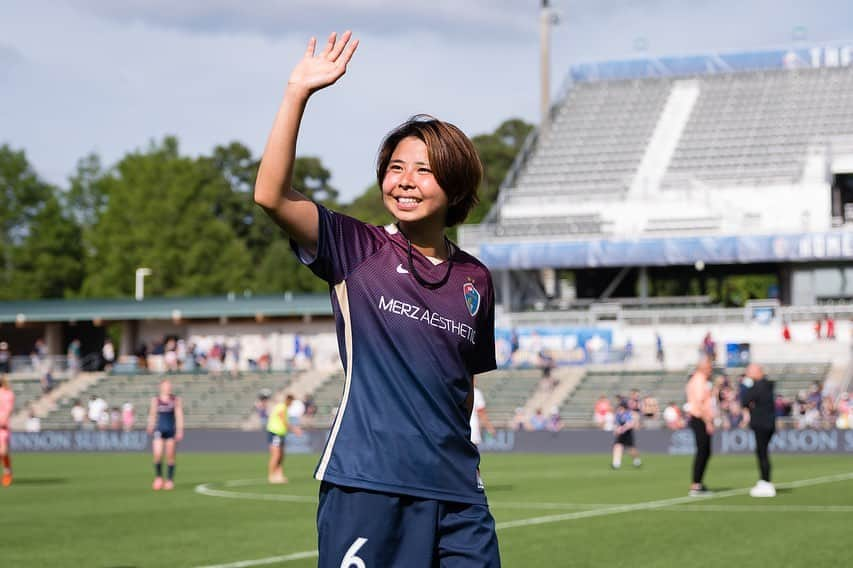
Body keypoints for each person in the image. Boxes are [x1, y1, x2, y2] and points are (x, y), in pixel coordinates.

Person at [254, 31, 500, 567]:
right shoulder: (356, 248)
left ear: (455, 188)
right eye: (395, 167)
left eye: (424, 169)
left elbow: (463, 390)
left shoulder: (476, 279)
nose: (405, 181)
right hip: (368, 485)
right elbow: (271, 195)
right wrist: (297, 92)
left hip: (459, 496)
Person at [741, 364, 776, 497]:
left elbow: (744, 400)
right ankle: (764, 480)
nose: (748, 374)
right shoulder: (767, 385)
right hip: (767, 424)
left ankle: (766, 482)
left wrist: (746, 385)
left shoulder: (758, 386)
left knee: (762, 452)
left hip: (761, 424)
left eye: (749, 371)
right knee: (762, 452)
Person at [146, 379, 184, 491]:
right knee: (157, 455)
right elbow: (152, 414)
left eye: (169, 386)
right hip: (159, 430)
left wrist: (180, 430)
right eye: (166, 386)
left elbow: (179, 415)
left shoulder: (175, 400)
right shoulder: (156, 400)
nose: (168, 388)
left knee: (170, 456)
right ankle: (158, 478)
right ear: (161, 387)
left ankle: (169, 480)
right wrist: (150, 425)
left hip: (170, 430)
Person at [686, 355, 715, 496]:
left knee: (705, 451)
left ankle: (698, 483)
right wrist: (708, 421)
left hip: (701, 418)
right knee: (702, 451)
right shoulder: (699, 380)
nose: (711, 369)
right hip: (699, 418)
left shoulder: (701, 380)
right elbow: (699, 402)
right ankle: (696, 484)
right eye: (709, 366)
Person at [267, 394, 303, 484]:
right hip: (275, 433)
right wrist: (295, 430)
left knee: (281, 455)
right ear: (289, 400)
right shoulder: (282, 407)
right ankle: (271, 476)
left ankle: (279, 475)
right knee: (276, 455)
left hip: (280, 434)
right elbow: (283, 420)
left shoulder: (284, 408)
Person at [611, 401, 641, 469]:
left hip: (628, 433)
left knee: (631, 449)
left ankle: (636, 461)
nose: (619, 408)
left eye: (620, 407)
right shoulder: (618, 414)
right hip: (621, 434)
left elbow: (630, 424)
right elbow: (616, 424)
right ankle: (616, 463)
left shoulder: (628, 414)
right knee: (617, 446)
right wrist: (616, 430)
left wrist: (621, 429)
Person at [470, 378, 496, 446]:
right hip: (472, 428)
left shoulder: (456, 391)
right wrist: (489, 427)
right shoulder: (476, 393)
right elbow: (481, 412)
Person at [0, 376, 14, 486]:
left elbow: (8, 409)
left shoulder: (8, 393)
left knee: (3, 451)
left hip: (2, 426)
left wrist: (3, 420)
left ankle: (7, 471)